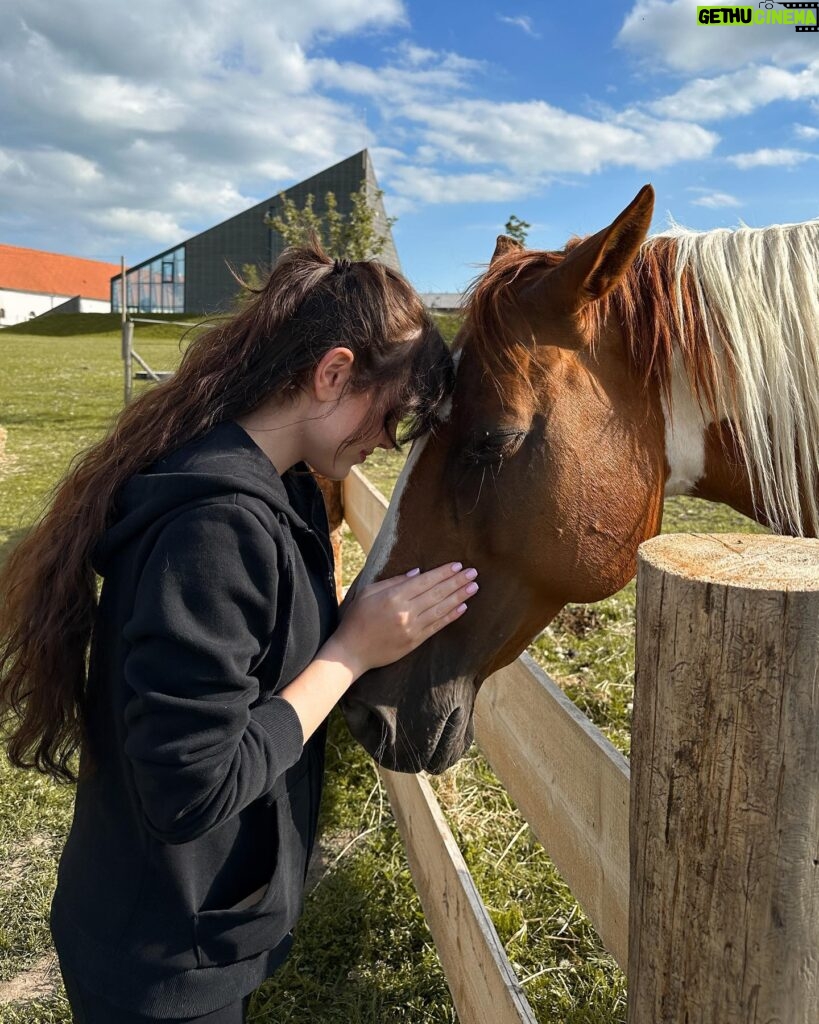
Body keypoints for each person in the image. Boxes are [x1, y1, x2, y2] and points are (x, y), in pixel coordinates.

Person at [0, 242, 479, 1023]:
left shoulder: (276, 486)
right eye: (389, 412)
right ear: (331, 373)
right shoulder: (215, 529)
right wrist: (349, 652)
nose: (387, 441)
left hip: (195, 927)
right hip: (161, 965)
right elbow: (192, 789)